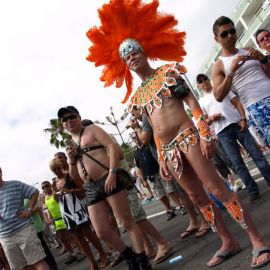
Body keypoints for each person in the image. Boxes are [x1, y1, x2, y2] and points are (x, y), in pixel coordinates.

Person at [86, 1, 270, 268]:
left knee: (217, 187)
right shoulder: (138, 97)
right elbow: (156, 129)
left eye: (134, 51)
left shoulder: (169, 72)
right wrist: (161, 156)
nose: (132, 57)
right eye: (126, 56)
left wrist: (204, 132)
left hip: (188, 137)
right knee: (197, 198)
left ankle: (256, 240)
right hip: (169, 149)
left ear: (144, 51)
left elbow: (193, 105)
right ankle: (227, 241)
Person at [57, 106, 152, 270]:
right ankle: (130, 257)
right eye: (64, 119)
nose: (68, 121)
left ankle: (142, 262)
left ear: (79, 117)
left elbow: (112, 147)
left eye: (71, 116)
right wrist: (71, 160)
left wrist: (112, 173)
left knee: (127, 222)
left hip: (107, 179)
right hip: (91, 187)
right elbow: (74, 176)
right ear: (62, 124)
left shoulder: (92, 129)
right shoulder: (70, 144)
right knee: (101, 231)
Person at [197, 73, 270, 203]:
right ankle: (253, 190)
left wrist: (243, 119)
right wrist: (211, 119)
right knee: (238, 164)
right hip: (222, 133)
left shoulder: (221, 89)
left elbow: (237, 103)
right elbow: (203, 122)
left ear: (209, 79)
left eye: (205, 79)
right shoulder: (201, 102)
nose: (203, 83)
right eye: (200, 82)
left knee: (257, 154)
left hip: (238, 125)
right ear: (198, 86)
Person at [211, 16, 270, 147]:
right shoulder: (219, 65)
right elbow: (218, 96)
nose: (230, 35)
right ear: (217, 39)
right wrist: (231, 72)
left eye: (232, 31)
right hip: (256, 107)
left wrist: (263, 60)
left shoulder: (249, 50)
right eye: (224, 34)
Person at [49, 158, 109, 269]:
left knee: (88, 234)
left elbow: (83, 189)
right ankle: (92, 262)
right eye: (54, 169)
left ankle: (103, 254)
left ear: (61, 167)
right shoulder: (54, 183)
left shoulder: (69, 176)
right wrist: (56, 197)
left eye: (58, 168)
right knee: (79, 239)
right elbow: (57, 200)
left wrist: (70, 191)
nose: (56, 171)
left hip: (77, 208)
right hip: (66, 213)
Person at [0, 167, 49, 270]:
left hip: (24, 230)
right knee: (23, 267)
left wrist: (29, 209)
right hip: (5, 236)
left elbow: (34, 192)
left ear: (0, 172)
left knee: (38, 261)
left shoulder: (15, 184)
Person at [42, 181, 82, 265]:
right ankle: (72, 253)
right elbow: (49, 209)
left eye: (46, 186)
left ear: (50, 186)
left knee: (71, 236)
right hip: (56, 221)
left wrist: (57, 194)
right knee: (62, 239)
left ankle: (80, 252)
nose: (44, 188)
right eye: (43, 187)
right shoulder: (45, 198)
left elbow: (62, 202)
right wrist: (51, 218)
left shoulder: (55, 194)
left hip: (64, 217)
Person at [24, 198, 58, 270]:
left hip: (36, 227)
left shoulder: (28, 197)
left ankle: (52, 266)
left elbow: (39, 209)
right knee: (37, 250)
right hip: (26, 230)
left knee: (43, 248)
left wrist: (42, 222)